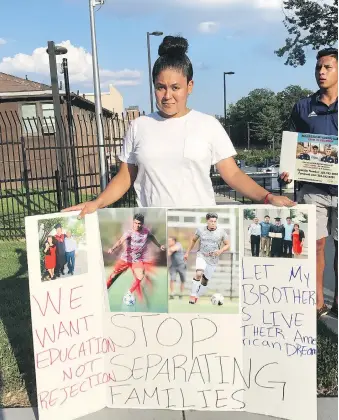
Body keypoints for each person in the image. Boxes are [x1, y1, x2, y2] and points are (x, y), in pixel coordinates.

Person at [63, 35, 294, 217]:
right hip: (154, 230)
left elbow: (232, 173)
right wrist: (98, 202)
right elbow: (125, 178)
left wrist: (267, 197)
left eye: (175, 87)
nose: (167, 95)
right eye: (160, 87)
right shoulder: (139, 126)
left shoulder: (208, 125)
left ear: (189, 86)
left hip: (200, 229)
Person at [281, 47, 338, 318]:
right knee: (314, 244)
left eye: (327, 67)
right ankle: (317, 303)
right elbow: (290, 144)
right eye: (318, 68)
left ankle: (337, 303)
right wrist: (287, 169)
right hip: (313, 189)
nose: (321, 72)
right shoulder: (303, 107)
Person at [106, 214, 165, 302]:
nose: (137, 225)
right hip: (125, 259)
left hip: (136, 260)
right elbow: (120, 241)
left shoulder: (146, 231)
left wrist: (159, 245)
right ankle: (103, 291)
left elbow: (152, 237)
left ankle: (129, 293)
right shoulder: (129, 233)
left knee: (140, 276)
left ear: (142, 224)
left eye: (139, 223)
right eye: (135, 223)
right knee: (113, 276)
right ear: (133, 222)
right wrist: (113, 248)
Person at [183, 213, 230, 304]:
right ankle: (192, 295)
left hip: (213, 259)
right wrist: (187, 253)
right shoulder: (200, 230)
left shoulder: (221, 231)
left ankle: (197, 296)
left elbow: (227, 244)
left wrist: (220, 251)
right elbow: (193, 240)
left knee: (204, 281)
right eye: (211, 221)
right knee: (199, 273)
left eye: (215, 221)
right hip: (202, 255)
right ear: (207, 221)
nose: (213, 223)